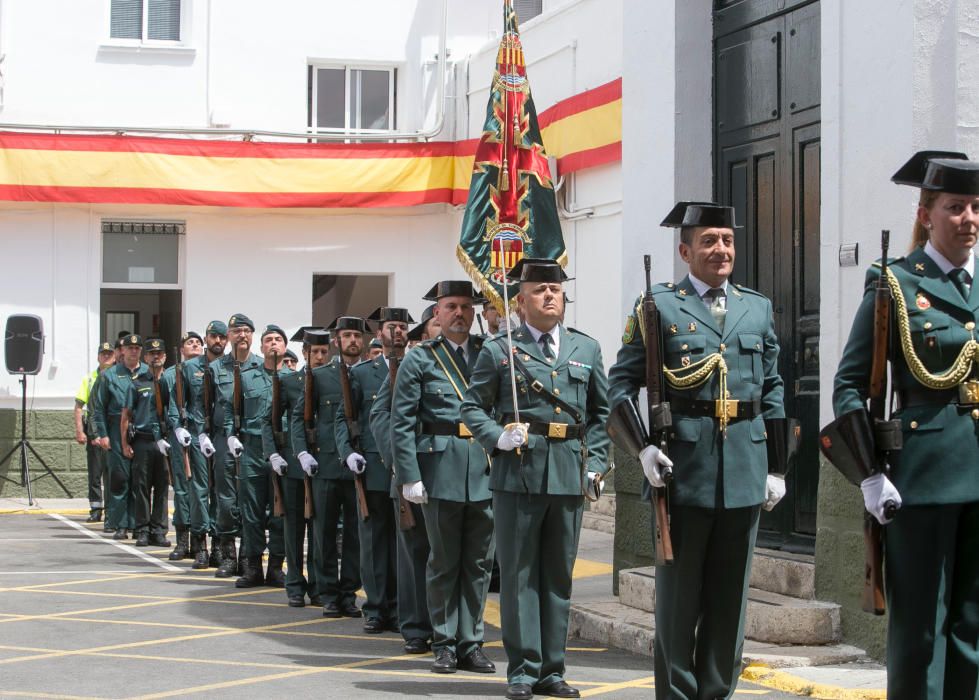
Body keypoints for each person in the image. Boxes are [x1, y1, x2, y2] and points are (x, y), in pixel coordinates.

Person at [607, 203, 787, 699]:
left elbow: (772, 388)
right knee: (679, 603)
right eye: (708, 241)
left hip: (745, 471)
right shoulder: (659, 305)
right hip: (682, 471)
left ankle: (716, 692)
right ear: (685, 251)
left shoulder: (758, 307)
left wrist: (777, 467)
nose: (721, 250)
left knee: (729, 604)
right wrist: (641, 448)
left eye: (727, 240)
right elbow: (619, 385)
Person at [832, 152, 979, 699]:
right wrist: (870, 473)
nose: (967, 218)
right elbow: (849, 385)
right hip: (922, 479)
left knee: (972, 628)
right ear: (926, 212)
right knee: (919, 631)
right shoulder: (894, 283)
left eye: (975, 207)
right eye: (954, 207)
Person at [461, 259, 609, 700]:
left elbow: (601, 415)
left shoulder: (586, 350)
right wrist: (498, 437)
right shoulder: (499, 349)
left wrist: (596, 463)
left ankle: (552, 669)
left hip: (568, 473)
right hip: (518, 473)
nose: (550, 296)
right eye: (540, 290)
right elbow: (472, 408)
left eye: (556, 289)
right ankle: (523, 670)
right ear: (521, 301)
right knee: (521, 575)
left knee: (557, 578)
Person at [394, 281, 496, 676]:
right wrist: (409, 475)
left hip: (485, 467)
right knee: (443, 562)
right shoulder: (420, 360)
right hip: (440, 469)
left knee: (479, 563)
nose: (460, 314)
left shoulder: (489, 355)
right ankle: (444, 642)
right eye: (451, 306)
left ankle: (471, 642)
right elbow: (402, 422)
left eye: (466, 307)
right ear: (436, 313)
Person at [335, 307, 413, 633]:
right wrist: (347, 453)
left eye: (402, 327)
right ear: (379, 334)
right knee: (373, 542)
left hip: (407, 467)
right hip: (372, 467)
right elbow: (344, 418)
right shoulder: (363, 373)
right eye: (390, 327)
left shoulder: (417, 366)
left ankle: (400, 609)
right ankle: (376, 607)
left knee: (404, 544)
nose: (396, 332)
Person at [370, 318, 433, 655]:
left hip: (446, 474)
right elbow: (381, 416)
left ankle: (446, 627)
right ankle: (416, 628)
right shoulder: (404, 371)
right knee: (413, 557)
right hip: (411, 475)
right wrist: (398, 463)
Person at [290, 327, 363, 619]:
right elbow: (299, 417)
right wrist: (302, 452)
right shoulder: (319, 376)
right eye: (347, 336)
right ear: (337, 342)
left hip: (360, 468)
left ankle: (349, 594)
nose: (353, 341)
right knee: (324, 534)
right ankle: (328, 593)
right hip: (327, 465)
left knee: (357, 536)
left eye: (358, 336)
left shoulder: (371, 373)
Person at [221, 320, 286, 588]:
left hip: (284, 451)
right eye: (268, 339)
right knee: (251, 511)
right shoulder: (246, 377)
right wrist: (231, 435)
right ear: (261, 346)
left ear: (285, 347)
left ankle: (276, 567)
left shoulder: (294, 379)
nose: (273, 343)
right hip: (252, 449)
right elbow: (229, 409)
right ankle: (252, 566)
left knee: (280, 511)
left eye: (277, 339)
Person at [265, 329, 324, 607]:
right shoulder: (289, 382)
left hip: (323, 461)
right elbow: (270, 421)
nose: (321, 357)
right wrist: (274, 455)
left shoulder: (336, 379)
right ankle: (294, 585)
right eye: (315, 352)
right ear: (305, 354)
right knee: (293, 527)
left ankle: (318, 585)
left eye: (325, 352)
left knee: (319, 529)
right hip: (292, 464)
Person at [170, 321, 227, 569]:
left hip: (222, 436)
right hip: (196, 435)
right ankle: (200, 545)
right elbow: (175, 400)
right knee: (199, 491)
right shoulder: (189, 367)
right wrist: (177, 426)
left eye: (222, 337)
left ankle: (218, 545)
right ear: (206, 339)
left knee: (222, 494)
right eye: (214, 336)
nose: (218, 340)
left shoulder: (230, 366)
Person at [90, 334, 147, 540]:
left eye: (137, 348)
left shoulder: (148, 373)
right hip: (115, 429)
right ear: (122, 351)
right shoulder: (110, 375)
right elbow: (98, 409)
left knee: (139, 480)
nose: (133, 351)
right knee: (120, 478)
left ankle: (138, 523)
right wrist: (102, 434)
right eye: (129, 347)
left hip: (141, 430)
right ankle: (120, 524)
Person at [120, 338, 172, 548]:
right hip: (143, 440)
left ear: (165, 357)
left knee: (161, 489)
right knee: (141, 488)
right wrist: (124, 444)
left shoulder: (171, 382)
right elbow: (126, 415)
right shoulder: (138, 383)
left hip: (165, 443)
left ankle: (159, 531)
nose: (156, 357)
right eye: (152, 353)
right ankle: (142, 530)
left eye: (159, 353)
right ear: (146, 357)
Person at [160, 331, 203, 561]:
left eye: (198, 342)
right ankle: (182, 540)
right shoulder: (170, 375)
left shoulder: (207, 370)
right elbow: (163, 407)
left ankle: (199, 542)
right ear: (182, 349)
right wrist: (165, 434)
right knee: (182, 490)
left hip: (201, 437)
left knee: (200, 492)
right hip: (179, 437)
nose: (194, 345)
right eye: (190, 342)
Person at [74, 342, 115, 523]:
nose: (106, 357)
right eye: (103, 354)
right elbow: (79, 407)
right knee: (95, 472)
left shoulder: (118, 375)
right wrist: (80, 431)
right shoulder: (89, 379)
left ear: (114, 356)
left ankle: (111, 510)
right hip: (93, 430)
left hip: (113, 431)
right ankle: (96, 508)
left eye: (109, 354)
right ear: (98, 357)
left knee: (112, 473)